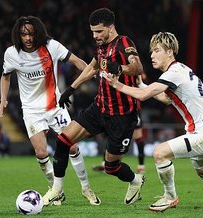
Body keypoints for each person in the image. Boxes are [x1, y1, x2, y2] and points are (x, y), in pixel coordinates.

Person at [105, 31, 203, 212]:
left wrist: (117, 85)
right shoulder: (181, 70)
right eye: (151, 51)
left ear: (170, 52)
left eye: (156, 50)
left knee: (160, 153)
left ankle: (169, 196)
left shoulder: (174, 72)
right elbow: (167, 99)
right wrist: (142, 85)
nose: (152, 55)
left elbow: (143, 96)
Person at [42, 8, 145, 206]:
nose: (95, 36)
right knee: (63, 141)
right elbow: (92, 67)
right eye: (92, 32)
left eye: (99, 31)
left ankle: (135, 180)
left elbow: (138, 67)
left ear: (111, 28)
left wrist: (121, 68)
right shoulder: (101, 46)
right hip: (99, 107)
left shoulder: (124, 43)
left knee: (111, 167)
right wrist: (71, 89)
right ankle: (57, 190)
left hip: (122, 115)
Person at [0, 16, 100, 205]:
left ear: (38, 33)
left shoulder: (51, 46)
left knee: (73, 146)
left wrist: (91, 74)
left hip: (55, 107)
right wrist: (3, 98)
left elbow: (76, 61)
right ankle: (56, 190)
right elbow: (5, 76)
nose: (27, 38)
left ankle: (86, 188)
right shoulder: (12, 53)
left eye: (31, 33)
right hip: (31, 110)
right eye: (23, 34)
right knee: (41, 152)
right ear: (18, 35)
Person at [92, 109, 147, 174]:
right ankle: (106, 164)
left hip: (132, 111)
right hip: (118, 112)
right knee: (113, 136)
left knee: (138, 138)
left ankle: (141, 165)